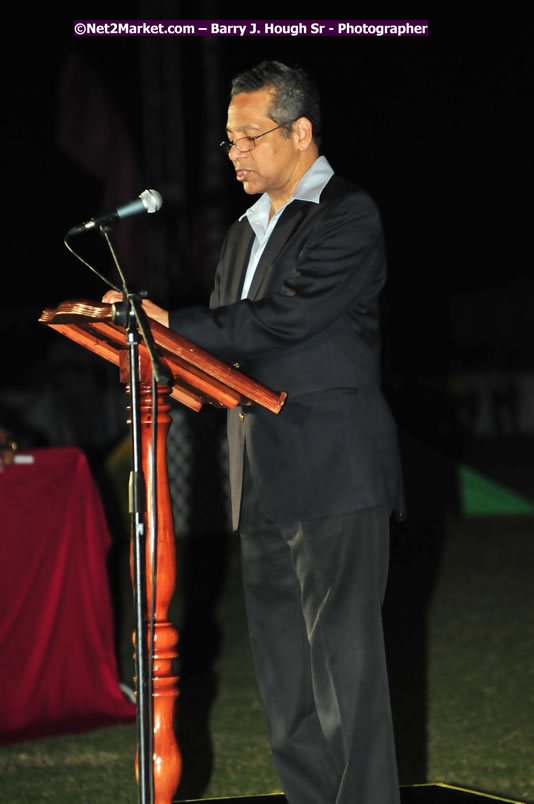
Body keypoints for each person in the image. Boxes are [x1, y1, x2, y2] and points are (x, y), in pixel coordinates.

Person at [104, 60, 404, 804]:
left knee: (346, 671)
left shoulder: (348, 213)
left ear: (300, 133)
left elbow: (285, 321)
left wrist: (174, 324)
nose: (233, 151)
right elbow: (222, 346)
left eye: (249, 136)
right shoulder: (244, 231)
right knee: (284, 675)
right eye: (228, 139)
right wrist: (142, 339)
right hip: (260, 474)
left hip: (335, 469)